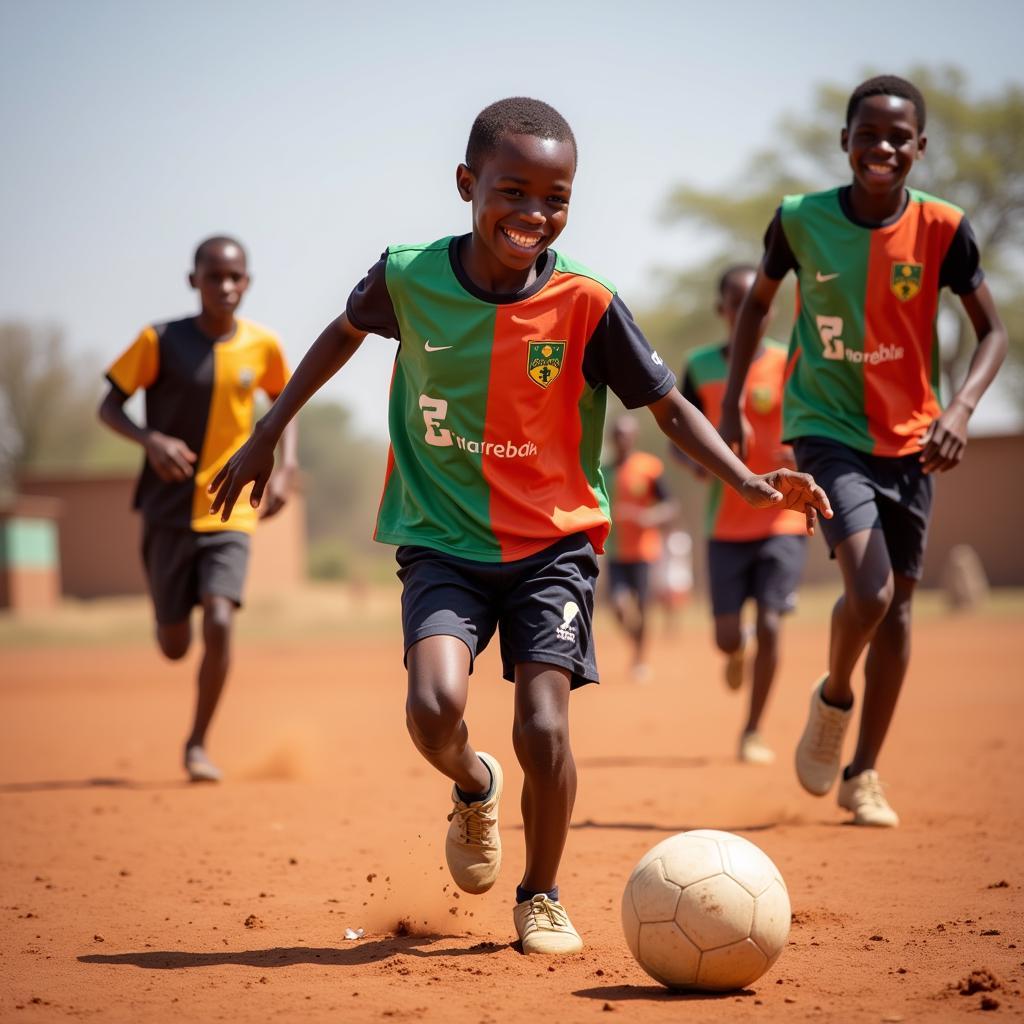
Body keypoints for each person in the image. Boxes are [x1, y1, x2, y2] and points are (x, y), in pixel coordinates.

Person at [208, 97, 830, 953]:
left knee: (544, 724)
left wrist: (751, 480)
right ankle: (474, 787)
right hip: (443, 541)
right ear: (468, 185)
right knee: (433, 708)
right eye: (514, 191)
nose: (534, 214)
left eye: (556, 197)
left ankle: (541, 892)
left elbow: (669, 407)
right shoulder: (407, 275)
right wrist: (268, 433)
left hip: (554, 545)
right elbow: (341, 335)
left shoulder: (587, 302)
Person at [719, 76, 1007, 825]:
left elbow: (993, 334)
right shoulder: (799, 221)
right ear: (844, 141)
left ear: (918, 147)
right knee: (871, 593)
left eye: (897, 137)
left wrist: (963, 410)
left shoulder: (945, 228)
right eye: (867, 134)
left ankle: (864, 774)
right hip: (826, 426)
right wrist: (727, 406)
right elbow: (757, 306)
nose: (882, 148)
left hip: (914, 439)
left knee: (900, 614)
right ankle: (835, 695)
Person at [98, 236, 297, 783]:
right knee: (173, 644)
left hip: (228, 508)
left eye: (236, 278)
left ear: (247, 283)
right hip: (166, 511)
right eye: (215, 277)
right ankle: (166, 616)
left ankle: (197, 744)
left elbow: (286, 403)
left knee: (220, 617)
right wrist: (150, 440)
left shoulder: (263, 345)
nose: (226, 287)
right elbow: (108, 405)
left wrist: (285, 467)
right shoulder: (158, 340)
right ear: (195, 282)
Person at [680, 265, 808, 764]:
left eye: (756, 301)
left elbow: (813, 420)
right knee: (727, 636)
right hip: (725, 524)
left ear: (769, 307)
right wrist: (693, 461)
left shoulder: (789, 360)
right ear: (722, 310)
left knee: (774, 623)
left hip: (783, 518)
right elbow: (681, 431)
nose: (746, 311)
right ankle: (736, 650)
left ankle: (752, 730)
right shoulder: (699, 366)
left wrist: (803, 457)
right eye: (736, 302)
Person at [604, 414, 676, 680]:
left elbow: (669, 505)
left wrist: (649, 517)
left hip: (644, 551)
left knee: (644, 607)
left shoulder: (649, 468)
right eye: (618, 435)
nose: (623, 440)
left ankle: (639, 659)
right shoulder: (603, 470)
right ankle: (634, 638)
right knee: (619, 605)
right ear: (613, 438)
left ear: (634, 437)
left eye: (627, 434)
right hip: (615, 550)